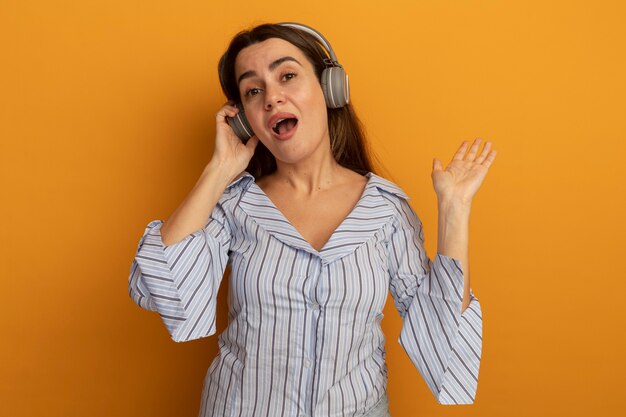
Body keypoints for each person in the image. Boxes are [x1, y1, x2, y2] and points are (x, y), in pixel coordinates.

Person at [128, 22, 496, 417]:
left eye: (287, 76)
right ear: (243, 118)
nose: (271, 98)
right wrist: (219, 170)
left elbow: (444, 342)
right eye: (253, 90)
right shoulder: (233, 205)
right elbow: (157, 290)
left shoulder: (386, 211)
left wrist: (455, 209)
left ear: (331, 88)